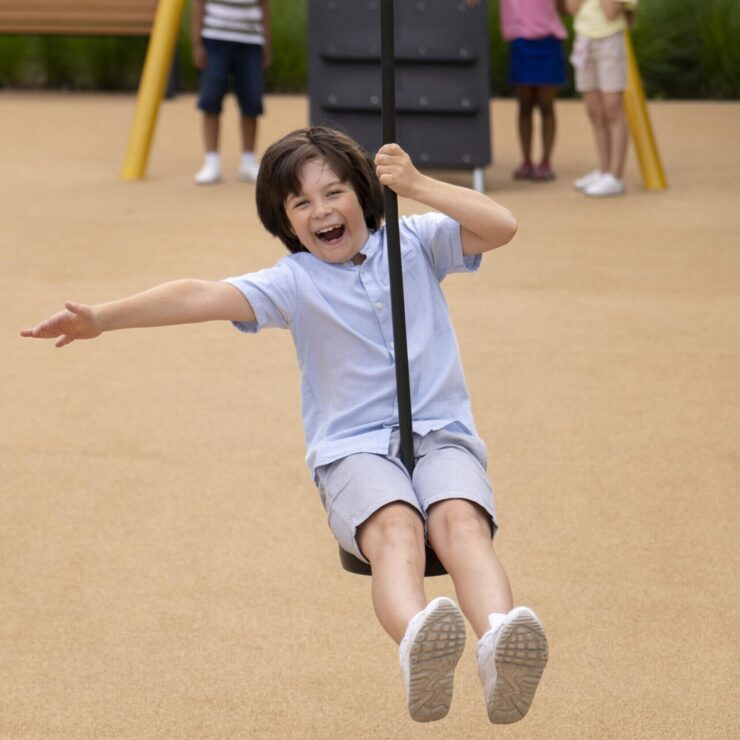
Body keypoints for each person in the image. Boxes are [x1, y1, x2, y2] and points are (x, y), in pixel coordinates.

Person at [21, 127, 548, 725]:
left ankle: (499, 643)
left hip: (440, 433)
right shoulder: (293, 282)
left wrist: (417, 184)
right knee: (396, 529)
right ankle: (419, 640)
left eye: (334, 193)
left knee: (461, 521)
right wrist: (102, 318)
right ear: (286, 222)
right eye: (301, 203)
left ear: (366, 194)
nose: (321, 210)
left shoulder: (415, 242)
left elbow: (501, 226)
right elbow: (197, 296)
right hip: (354, 451)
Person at [191, 0, 271, 185]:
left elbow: (264, 5)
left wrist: (267, 42)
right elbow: (198, 4)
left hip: (250, 40)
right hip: (214, 38)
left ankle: (248, 161)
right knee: (210, 98)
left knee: (252, 100)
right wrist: (197, 43)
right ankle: (211, 161)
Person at [566, 0, 638, 197]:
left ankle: (615, 176)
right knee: (594, 111)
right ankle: (603, 170)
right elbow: (572, 8)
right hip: (584, 41)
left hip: (610, 42)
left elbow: (610, 11)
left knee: (612, 109)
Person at [499, 0, 568, 182]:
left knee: (546, 106)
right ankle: (526, 161)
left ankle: (545, 161)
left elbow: (565, 7)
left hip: (548, 40)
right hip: (520, 40)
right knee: (525, 105)